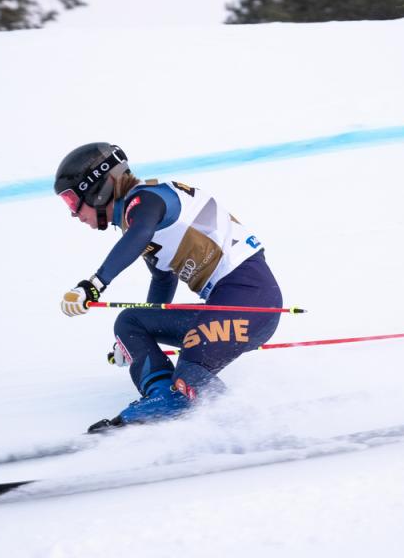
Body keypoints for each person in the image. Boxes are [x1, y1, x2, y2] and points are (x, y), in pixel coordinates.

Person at [54, 142, 283, 432]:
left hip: (250, 302)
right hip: (229, 306)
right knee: (131, 322)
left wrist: (93, 285)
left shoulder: (148, 200)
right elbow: (162, 279)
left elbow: (139, 234)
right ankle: (165, 398)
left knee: (187, 386)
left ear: (96, 188)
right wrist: (135, 344)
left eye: (73, 201)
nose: (74, 213)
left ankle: (247, 428)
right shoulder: (141, 217)